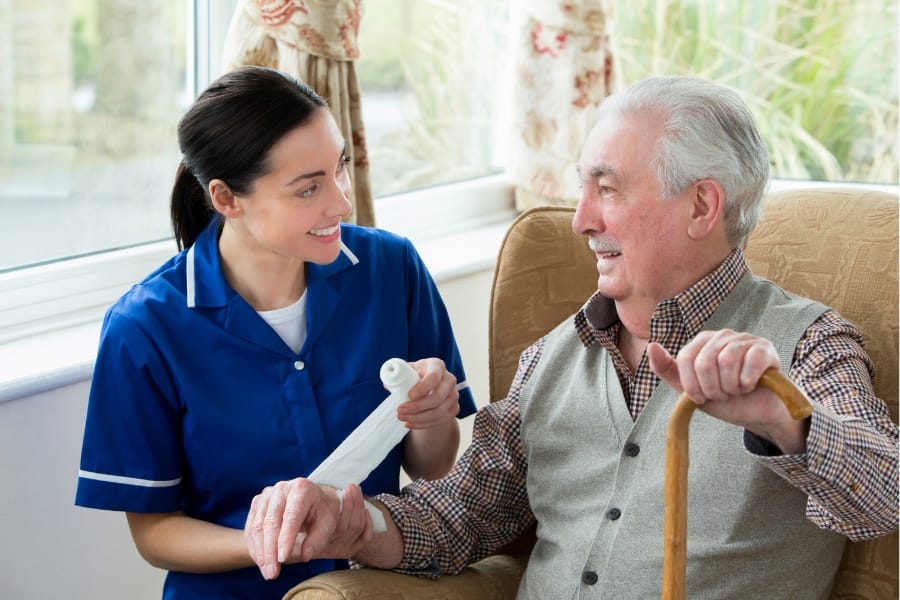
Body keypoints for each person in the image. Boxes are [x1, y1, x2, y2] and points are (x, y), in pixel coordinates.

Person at [244, 75, 899, 598]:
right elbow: (459, 516)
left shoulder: (808, 343)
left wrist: (786, 421)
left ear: (702, 206)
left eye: (606, 189)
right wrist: (353, 523)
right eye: (582, 188)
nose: (582, 219)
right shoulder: (552, 357)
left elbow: (885, 494)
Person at [74, 66, 477, 599]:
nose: (340, 202)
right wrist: (280, 540)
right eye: (308, 188)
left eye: (339, 170)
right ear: (226, 198)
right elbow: (155, 534)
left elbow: (432, 465)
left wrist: (430, 415)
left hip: (372, 590)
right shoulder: (144, 329)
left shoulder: (392, 269)